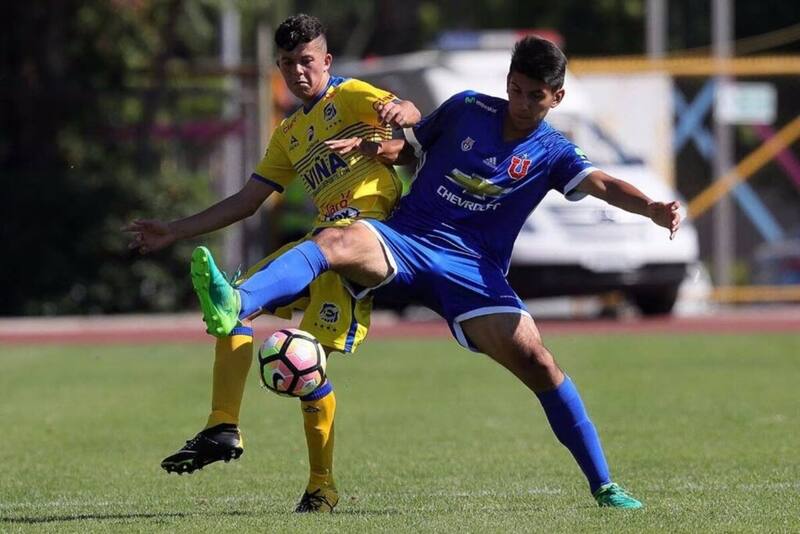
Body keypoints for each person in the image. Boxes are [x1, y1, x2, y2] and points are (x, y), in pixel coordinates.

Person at [193, 36, 684, 509]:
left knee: (540, 364)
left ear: (557, 96)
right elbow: (417, 147)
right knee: (337, 238)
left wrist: (651, 208)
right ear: (507, 81)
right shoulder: (468, 107)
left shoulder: (552, 151)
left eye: (535, 96)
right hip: (405, 240)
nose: (521, 102)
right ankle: (238, 302)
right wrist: (379, 150)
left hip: (473, 271)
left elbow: (600, 182)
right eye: (515, 89)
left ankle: (604, 486)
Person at [124, 14, 421, 513]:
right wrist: (173, 230)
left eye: (307, 61)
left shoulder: (350, 97)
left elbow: (410, 122)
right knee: (235, 303)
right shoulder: (289, 132)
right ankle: (222, 426)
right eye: (287, 64)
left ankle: (322, 486)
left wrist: (396, 111)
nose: (298, 72)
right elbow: (245, 201)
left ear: (326, 60)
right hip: (320, 243)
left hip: (363, 240)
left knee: (305, 361)